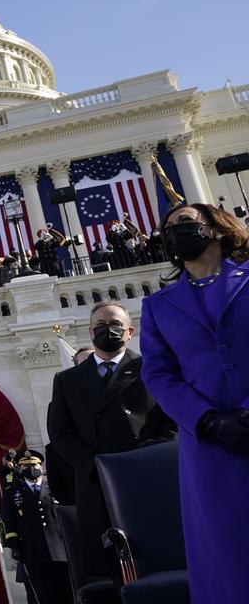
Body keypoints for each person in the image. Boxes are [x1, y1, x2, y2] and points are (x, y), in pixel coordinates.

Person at [139, 203, 249, 604]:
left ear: (218, 229)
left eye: (184, 222)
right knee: (226, 552)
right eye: (168, 229)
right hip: (211, 445)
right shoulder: (158, 305)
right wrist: (206, 421)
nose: (174, 232)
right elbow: (158, 374)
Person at [46, 300, 173, 578]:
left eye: (116, 324)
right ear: (91, 333)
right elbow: (59, 432)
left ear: (130, 332)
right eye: (101, 325)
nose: (108, 330)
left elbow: (171, 424)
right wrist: (95, 464)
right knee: (105, 569)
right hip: (95, 482)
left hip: (146, 478)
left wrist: (140, 460)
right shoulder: (66, 380)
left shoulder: (151, 369)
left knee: (155, 562)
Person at [0, 451, 71, 604]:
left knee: (67, 592)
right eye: (25, 465)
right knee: (42, 595)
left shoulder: (55, 489)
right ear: (19, 467)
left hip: (60, 550)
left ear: (41, 466)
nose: (31, 468)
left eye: (34, 464)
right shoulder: (12, 492)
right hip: (32, 550)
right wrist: (15, 546)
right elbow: (9, 522)